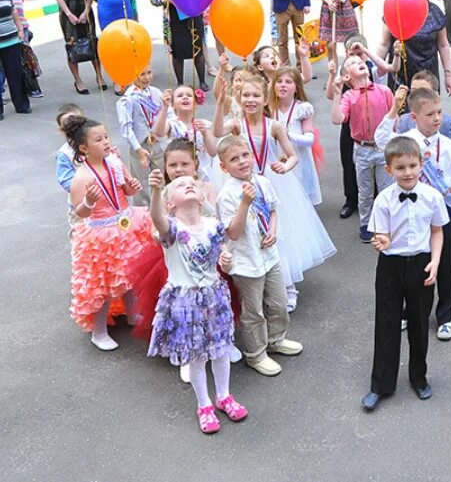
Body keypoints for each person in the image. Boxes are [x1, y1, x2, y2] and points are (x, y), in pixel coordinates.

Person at [214, 74, 336, 312]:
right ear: (240, 98)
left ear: (264, 99)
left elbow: (292, 155)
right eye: (246, 95)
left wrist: (284, 166)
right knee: (250, 235)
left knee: (280, 235)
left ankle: (287, 286)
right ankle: (257, 285)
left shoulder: (274, 126)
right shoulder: (238, 124)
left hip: (272, 184)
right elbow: (218, 131)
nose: (251, 100)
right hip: (244, 186)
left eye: (256, 95)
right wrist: (220, 104)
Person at [146, 171, 247, 435]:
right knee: (197, 356)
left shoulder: (213, 225)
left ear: (202, 198)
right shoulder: (171, 229)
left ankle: (223, 396)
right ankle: (204, 404)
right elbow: (156, 219)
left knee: (222, 349)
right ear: (171, 203)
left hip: (214, 295)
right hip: (185, 301)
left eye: (193, 183)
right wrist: (156, 190)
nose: (189, 184)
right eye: (180, 185)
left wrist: (226, 260)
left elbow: (223, 250)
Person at [375, 87, 451, 341]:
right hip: (410, 213)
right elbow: (380, 137)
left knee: (446, 266)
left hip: (441, 212)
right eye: (430, 114)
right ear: (414, 117)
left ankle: (446, 314)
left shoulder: (448, 146)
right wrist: (394, 107)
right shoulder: (405, 140)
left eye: (439, 112)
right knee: (415, 264)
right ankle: (411, 312)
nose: (437, 118)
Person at [362, 137, 449, 411]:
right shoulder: (383, 199)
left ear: (421, 164)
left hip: (421, 263)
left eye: (412, 165)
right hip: (390, 266)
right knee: (386, 324)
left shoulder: (432, 197)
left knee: (419, 323)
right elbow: (382, 235)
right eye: (400, 168)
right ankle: (381, 385)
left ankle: (419, 378)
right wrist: (382, 241)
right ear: (389, 170)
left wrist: (435, 262)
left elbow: (437, 231)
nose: (408, 172)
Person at [64, 115, 161, 350]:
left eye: (106, 136)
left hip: (126, 223)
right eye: (99, 139)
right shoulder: (82, 177)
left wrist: (132, 186)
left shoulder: (115, 162)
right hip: (103, 233)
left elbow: (125, 188)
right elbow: (81, 213)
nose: (106, 142)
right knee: (104, 287)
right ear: (84, 148)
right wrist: (88, 201)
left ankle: (131, 312)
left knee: (129, 275)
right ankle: (99, 331)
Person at [216, 135, 303, 377]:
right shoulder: (227, 195)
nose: (242, 161)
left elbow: (273, 210)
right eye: (234, 159)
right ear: (224, 167)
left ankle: (276, 339)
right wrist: (244, 203)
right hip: (246, 261)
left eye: (245, 155)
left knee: (278, 301)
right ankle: (256, 354)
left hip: (269, 255)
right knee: (253, 310)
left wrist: (273, 231)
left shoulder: (263, 182)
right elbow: (232, 232)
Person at [330, 55, 395, 241]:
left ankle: (385, 223)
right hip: (362, 149)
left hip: (382, 147)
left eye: (360, 61)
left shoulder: (384, 91)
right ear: (346, 77)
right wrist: (336, 94)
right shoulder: (348, 96)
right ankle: (366, 222)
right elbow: (337, 119)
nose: (359, 63)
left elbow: (394, 119)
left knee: (386, 188)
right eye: (352, 63)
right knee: (365, 191)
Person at [376, 0, 451, 95]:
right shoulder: (394, 9)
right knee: (400, 112)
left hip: (427, 76)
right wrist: (373, 71)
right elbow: (384, 44)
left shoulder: (434, 12)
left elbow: (443, 45)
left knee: (427, 111)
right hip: (399, 75)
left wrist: (448, 75)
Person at [151, 0, 209, 90]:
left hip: (193, 16)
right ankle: (180, 83)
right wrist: (166, 0)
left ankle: (201, 81)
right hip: (173, 20)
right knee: (177, 53)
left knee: (198, 49)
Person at [117, 66, 168, 207]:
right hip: (139, 144)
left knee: (161, 177)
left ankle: (162, 210)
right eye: (142, 74)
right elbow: (126, 128)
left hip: (157, 141)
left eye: (149, 73)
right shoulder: (128, 99)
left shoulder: (156, 92)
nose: (147, 77)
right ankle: (144, 213)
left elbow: (164, 114)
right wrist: (138, 150)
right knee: (141, 182)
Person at [54, 0, 107, 94]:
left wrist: (86, 11)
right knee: (72, 45)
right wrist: (69, 14)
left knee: (92, 43)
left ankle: (99, 76)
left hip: (85, 12)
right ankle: (78, 80)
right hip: (68, 15)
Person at [271, 66, 321, 206]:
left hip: (297, 156)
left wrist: (287, 135)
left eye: (288, 82)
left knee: (298, 197)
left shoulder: (302, 108)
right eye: (279, 81)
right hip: (276, 156)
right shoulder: (269, 109)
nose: (283, 85)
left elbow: (309, 139)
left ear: (296, 87)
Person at [155, 85, 221, 189]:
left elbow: (213, 152)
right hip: (179, 171)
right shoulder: (171, 124)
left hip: (201, 173)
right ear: (173, 105)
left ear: (195, 104)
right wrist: (165, 107)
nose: (185, 97)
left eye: (189, 95)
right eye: (180, 96)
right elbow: (159, 132)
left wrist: (205, 134)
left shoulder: (204, 124)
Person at [314, 0, 359, 66]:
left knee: (350, 43)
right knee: (330, 44)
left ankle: (351, 70)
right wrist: (329, 1)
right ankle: (333, 73)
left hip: (345, 5)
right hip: (328, 6)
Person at [0, 0, 29, 118]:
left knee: (16, 73)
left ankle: (21, 105)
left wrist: (20, 30)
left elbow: (13, 10)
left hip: (11, 39)